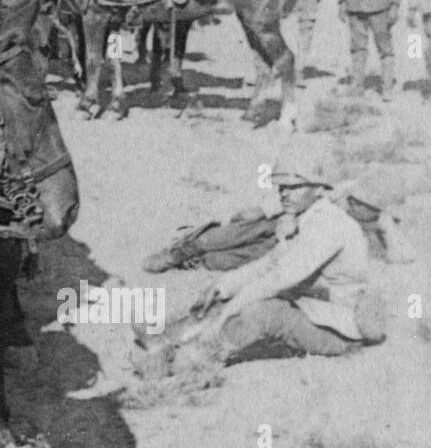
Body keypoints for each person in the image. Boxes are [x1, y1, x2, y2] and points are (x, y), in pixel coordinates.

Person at [136, 160, 383, 378]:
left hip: (339, 330)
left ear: (319, 189)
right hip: (312, 308)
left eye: (294, 187)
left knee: (262, 311)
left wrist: (226, 313)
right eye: (282, 188)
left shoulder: (328, 224)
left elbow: (278, 279)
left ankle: (192, 362)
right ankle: (167, 338)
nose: (285, 194)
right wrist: (223, 286)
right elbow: (268, 263)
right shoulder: (307, 216)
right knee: (228, 294)